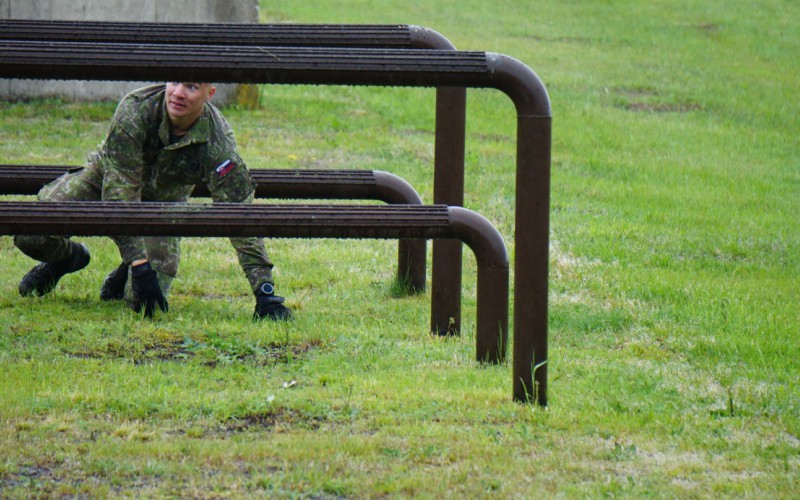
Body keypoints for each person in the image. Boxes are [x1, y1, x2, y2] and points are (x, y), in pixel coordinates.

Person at [14, 82, 292, 321]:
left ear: (210, 93)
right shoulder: (136, 108)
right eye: (174, 82)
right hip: (106, 179)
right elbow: (119, 196)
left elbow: (238, 213)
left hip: (163, 205)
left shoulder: (218, 141)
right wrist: (138, 261)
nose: (178, 93)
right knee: (32, 233)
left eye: (192, 87)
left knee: (145, 304)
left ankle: (125, 271)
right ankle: (68, 259)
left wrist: (264, 292)